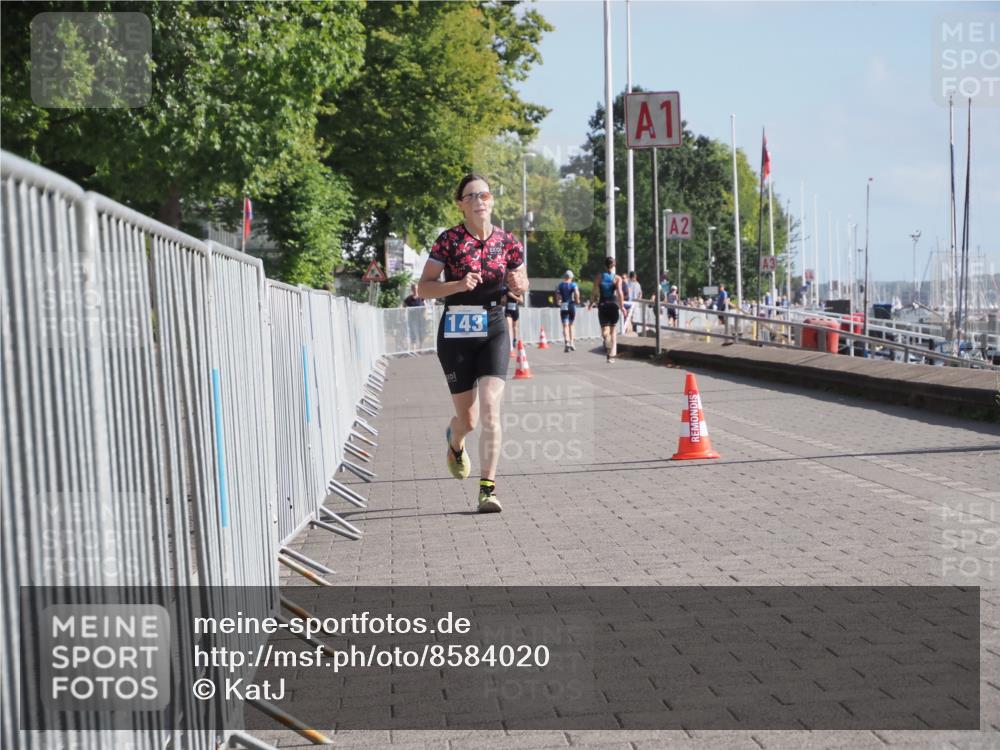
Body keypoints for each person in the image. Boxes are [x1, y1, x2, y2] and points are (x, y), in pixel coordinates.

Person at [416, 173, 529, 514]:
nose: (480, 200)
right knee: (469, 420)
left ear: (492, 201)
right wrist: (457, 284)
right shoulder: (448, 241)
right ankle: (455, 438)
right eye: (472, 196)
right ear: (461, 204)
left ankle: (487, 489)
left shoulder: (508, 242)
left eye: (485, 195)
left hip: (494, 326)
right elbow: (424, 288)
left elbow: (522, 283)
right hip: (456, 332)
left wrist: (518, 283)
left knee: (492, 409)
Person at [589, 257, 624, 363]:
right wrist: (622, 306)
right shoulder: (617, 278)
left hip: (603, 306)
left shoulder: (599, 277)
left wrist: (591, 303)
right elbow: (620, 294)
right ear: (614, 266)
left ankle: (606, 340)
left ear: (605, 266)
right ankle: (611, 355)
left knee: (605, 332)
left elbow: (594, 292)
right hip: (613, 306)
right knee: (613, 331)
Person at [555, 270, 580, 352]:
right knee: (571, 325)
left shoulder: (560, 285)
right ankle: (572, 342)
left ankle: (567, 343)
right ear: (571, 277)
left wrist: (558, 301)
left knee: (565, 325)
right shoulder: (573, 284)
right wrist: (577, 300)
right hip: (571, 305)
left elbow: (558, 296)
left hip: (563, 305)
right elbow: (576, 293)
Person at [504, 289, 523, 358]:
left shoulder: (518, 291)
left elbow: (521, 301)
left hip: (515, 309)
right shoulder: (507, 290)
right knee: (509, 326)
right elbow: (503, 301)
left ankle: (515, 339)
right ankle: (510, 342)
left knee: (515, 327)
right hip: (508, 310)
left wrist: (512, 296)